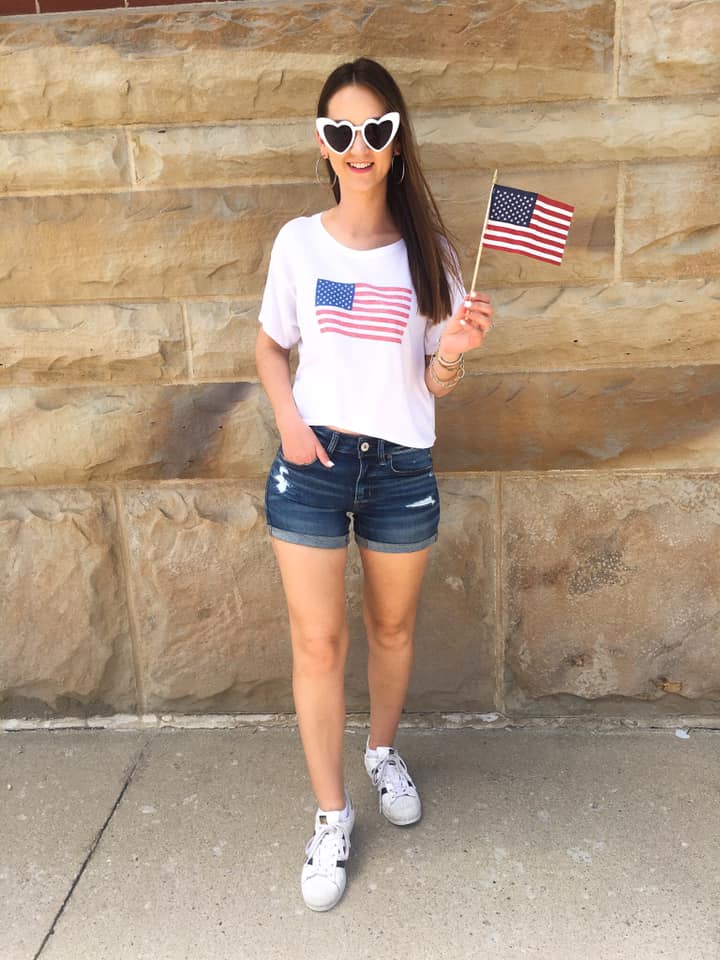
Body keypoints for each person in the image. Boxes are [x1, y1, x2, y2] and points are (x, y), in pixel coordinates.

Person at [255, 57, 493, 912]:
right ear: (324, 144)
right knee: (317, 646)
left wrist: (454, 356)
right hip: (311, 463)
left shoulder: (434, 254)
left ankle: (382, 750)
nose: (360, 146)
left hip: (401, 467)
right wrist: (287, 418)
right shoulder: (297, 242)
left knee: (391, 630)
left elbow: (432, 381)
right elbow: (268, 345)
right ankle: (330, 816)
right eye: (342, 131)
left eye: (377, 130)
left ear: (397, 142)